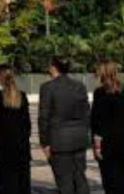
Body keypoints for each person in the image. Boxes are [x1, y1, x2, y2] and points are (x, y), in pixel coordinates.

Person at [38, 58, 91, 194]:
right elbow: (86, 113)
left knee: (64, 181)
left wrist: (44, 142)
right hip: (79, 139)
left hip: (59, 141)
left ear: (54, 68)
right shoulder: (79, 86)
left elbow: (44, 117)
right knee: (80, 178)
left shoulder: (47, 87)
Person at [90, 61, 124, 194]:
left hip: (109, 144)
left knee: (112, 182)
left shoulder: (100, 93)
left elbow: (97, 122)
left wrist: (97, 146)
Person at [0, 65, 31, 194]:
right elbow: (27, 126)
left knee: (6, 185)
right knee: (23, 185)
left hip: (2, 150)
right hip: (21, 149)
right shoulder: (22, 96)